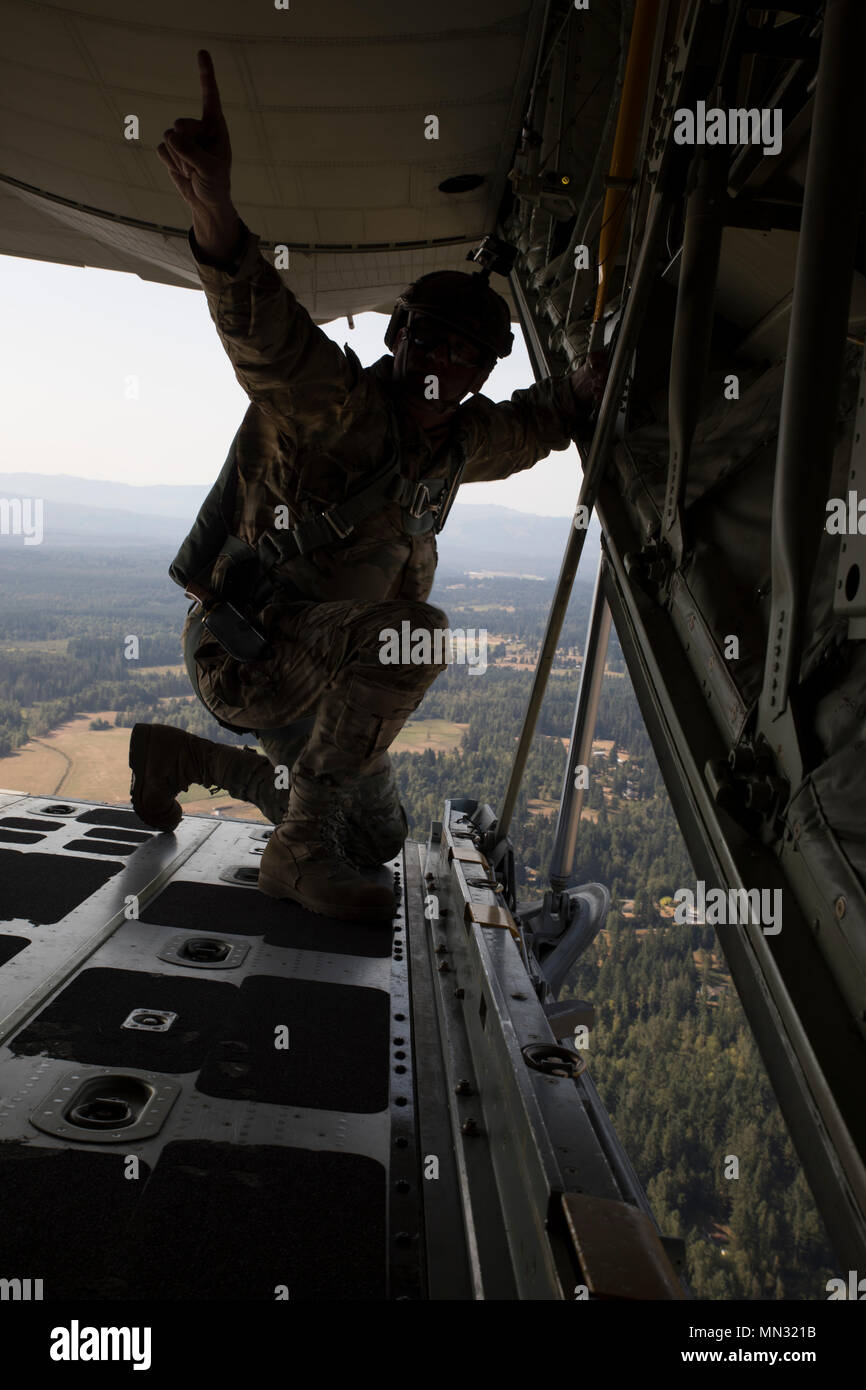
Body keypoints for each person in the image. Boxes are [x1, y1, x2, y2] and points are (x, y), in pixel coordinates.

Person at [129, 50, 607, 925]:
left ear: (478, 373)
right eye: (429, 342)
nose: (444, 365)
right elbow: (265, 336)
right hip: (251, 650)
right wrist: (215, 213)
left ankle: (178, 759)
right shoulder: (336, 407)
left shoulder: (459, 442)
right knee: (417, 640)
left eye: (467, 355)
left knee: (378, 839)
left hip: (326, 665)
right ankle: (295, 855)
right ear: (400, 339)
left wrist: (581, 392)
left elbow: (534, 425)